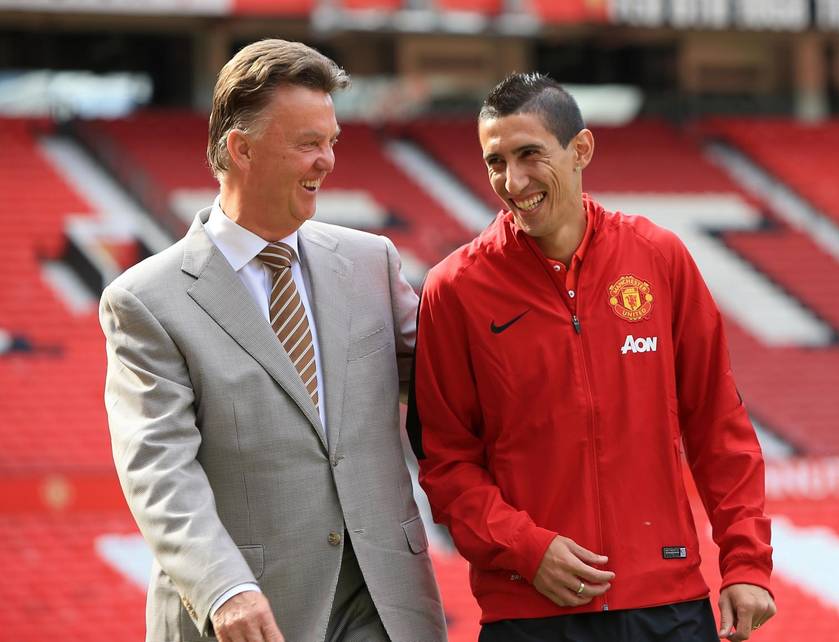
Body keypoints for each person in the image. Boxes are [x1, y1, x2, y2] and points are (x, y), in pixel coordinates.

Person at [408, 72, 776, 642]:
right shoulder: (454, 288)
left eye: (530, 154)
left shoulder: (660, 257)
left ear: (581, 149)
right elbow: (446, 461)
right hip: (529, 613)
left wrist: (746, 562)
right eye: (495, 161)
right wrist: (529, 550)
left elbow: (718, 426)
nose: (513, 180)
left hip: (668, 604)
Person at [100, 39, 446, 642]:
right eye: (309, 143)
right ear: (242, 149)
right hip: (247, 613)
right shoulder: (146, 301)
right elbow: (158, 467)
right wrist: (223, 587)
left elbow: (456, 385)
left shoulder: (371, 261)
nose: (328, 161)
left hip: (384, 601)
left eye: (331, 141)